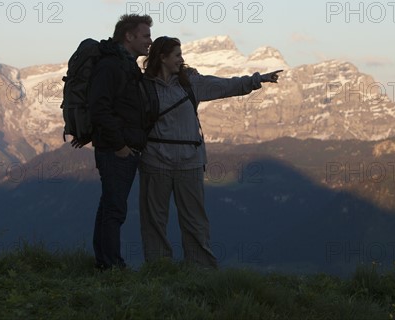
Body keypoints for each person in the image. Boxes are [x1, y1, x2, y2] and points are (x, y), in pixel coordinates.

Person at [139, 36, 282, 268]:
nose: (181, 59)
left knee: (194, 221)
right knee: (154, 220)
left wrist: (257, 80)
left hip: (189, 163)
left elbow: (225, 85)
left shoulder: (190, 83)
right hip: (155, 162)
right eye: (177, 55)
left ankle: (201, 270)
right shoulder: (143, 87)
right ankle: (159, 269)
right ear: (162, 58)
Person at [88, 14, 153, 270]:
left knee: (109, 207)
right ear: (129, 36)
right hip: (116, 150)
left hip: (122, 148)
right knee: (115, 210)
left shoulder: (127, 65)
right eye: (145, 35)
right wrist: (120, 146)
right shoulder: (112, 66)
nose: (150, 41)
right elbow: (99, 108)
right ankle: (112, 265)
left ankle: (105, 261)